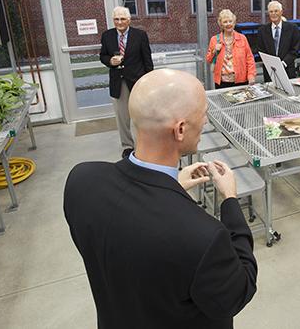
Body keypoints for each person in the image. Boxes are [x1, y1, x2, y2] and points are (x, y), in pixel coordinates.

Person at [64, 69, 258, 328]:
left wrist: (170, 185)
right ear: (180, 129)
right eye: (202, 114)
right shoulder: (203, 236)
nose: (205, 120)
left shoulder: (81, 181)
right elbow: (237, 292)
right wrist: (230, 200)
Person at [99, 6, 153, 158]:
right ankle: (128, 146)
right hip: (118, 82)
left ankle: (143, 145)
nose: (119, 22)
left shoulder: (140, 35)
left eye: (123, 19)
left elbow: (147, 60)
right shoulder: (107, 36)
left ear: (129, 20)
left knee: (141, 116)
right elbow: (102, 55)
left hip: (138, 82)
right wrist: (110, 60)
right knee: (122, 118)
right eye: (116, 19)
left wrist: (149, 82)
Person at [206, 9, 256, 89]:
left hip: (241, 81)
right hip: (222, 82)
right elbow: (208, 59)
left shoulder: (242, 38)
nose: (228, 24)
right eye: (225, 22)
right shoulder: (214, 39)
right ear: (221, 24)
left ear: (234, 22)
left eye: (230, 21)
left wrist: (251, 76)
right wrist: (214, 50)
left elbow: (250, 59)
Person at [257, 0, 300, 81]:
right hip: (270, 72)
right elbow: (261, 50)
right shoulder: (262, 30)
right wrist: (271, 64)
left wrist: (283, 63)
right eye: (271, 11)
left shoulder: (293, 28)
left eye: (276, 11)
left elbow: (294, 50)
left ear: (281, 12)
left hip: (287, 70)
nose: (274, 14)